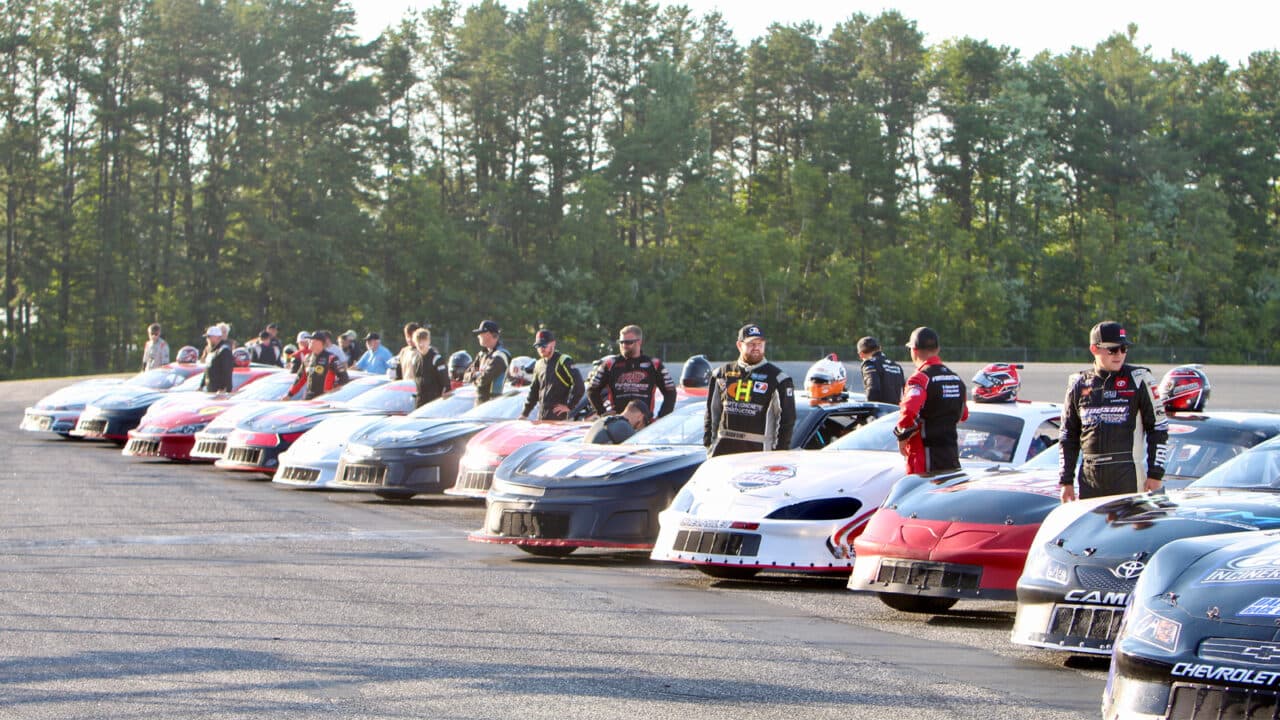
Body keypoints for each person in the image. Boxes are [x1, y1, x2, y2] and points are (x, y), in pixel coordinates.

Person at [1059, 321, 1169, 503]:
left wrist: (1155, 474)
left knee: (1128, 531)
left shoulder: (1139, 379)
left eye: (1124, 349)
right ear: (1094, 349)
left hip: (1128, 474)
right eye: (1112, 350)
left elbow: (1159, 428)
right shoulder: (1078, 383)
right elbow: (1067, 435)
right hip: (1090, 477)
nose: (1119, 354)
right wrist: (1066, 481)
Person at [704, 324, 796, 457]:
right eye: (751, 344)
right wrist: (709, 443)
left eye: (760, 343)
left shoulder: (778, 379)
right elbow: (712, 412)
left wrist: (779, 453)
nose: (756, 348)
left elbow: (787, 420)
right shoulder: (721, 373)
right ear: (739, 345)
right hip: (723, 450)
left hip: (760, 453)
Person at [893, 327, 968, 474]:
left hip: (924, 457)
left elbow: (909, 411)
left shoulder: (920, 378)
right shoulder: (956, 379)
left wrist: (902, 435)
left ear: (914, 350)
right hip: (951, 456)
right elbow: (963, 415)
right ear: (938, 349)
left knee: (920, 496)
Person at [587, 325, 677, 420]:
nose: (624, 345)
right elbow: (592, 390)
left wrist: (662, 417)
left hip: (644, 425)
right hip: (617, 423)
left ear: (639, 342)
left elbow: (670, 392)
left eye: (628, 342)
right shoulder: (610, 364)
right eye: (621, 342)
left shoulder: (654, 364)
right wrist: (602, 412)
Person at [520, 329, 585, 421]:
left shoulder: (563, 361)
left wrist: (569, 406)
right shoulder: (538, 364)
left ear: (553, 343)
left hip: (558, 420)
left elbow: (579, 386)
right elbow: (533, 392)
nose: (541, 348)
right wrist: (524, 414)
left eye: (544, 345)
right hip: (542, 418)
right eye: (538, 346)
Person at [288, 330, 350, 400]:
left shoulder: (331, 358)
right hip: (309, 398)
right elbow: (300, 379)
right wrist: (289, 395)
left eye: (312, 340)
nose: (309, 342)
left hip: (325, 399)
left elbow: (344, 378)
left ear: (320, 342)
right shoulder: (307, 358)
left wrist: (332, 391)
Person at [461, 319, 511, 404]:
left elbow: (483, 380)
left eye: (480, 334)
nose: (478, 336)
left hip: (493, 404)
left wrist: (475, 376)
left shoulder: (500, 356)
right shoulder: (482, 354)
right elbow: (465, 376)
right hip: (480, 402)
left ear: (488, 334)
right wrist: (475, 375)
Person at [404, 327, 450, 407]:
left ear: (429, 341)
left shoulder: (436, 359)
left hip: (434, 402)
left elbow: (446, 383)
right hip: (420, 401)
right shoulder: (415, 359)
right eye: (418, 342)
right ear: (415, 343)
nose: (421, 344)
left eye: (424, 341)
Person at [857, 336, 906, 404]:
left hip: (882, 412)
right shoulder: (897, 366)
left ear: (861, 354)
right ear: (880, 348)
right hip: (897, 411)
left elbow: (873, 390)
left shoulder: (870, 363)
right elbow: (905, 392)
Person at [584, 400, 650, 444]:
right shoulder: (624, 427)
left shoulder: (605, 420)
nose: (638, 429)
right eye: (643, 423)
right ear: (640, 416)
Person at [198, 325, 234, 393]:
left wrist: (224, 388)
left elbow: (227, 371)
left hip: (220, 392)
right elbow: (207, 371)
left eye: (209, 337)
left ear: (217, 337)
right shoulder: (211, 351)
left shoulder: (224, 351)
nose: (207, 339)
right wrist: (202, 385)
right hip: (211, 390)